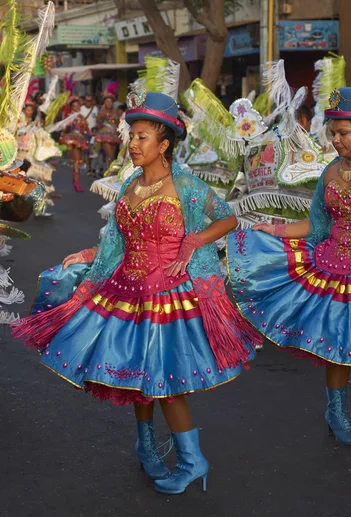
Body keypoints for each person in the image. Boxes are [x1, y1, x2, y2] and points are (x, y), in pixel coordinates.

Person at [12, 91, 262, 493]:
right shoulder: (130, 182)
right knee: (138, 377)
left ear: (165, 144)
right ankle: (146, 447)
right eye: (132, 135)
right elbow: (117, 240)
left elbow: (228, 218)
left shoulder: (187, 187)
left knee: (167, 386)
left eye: (143, 136)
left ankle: (194, 461)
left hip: (168, 297)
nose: (133, 144)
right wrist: (90, 254)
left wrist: (195, 240)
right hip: (125, 291)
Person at [228, 87, 351, 457]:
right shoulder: (330, 171)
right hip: (333, 265)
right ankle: (336, 413)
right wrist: (273, 230)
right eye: (333, 133)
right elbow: (316, 225)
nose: (335, 140)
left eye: (343, 133)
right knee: (334, 346)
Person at [59, 97, 90, 192]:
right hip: (74, 139)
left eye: (77, 105)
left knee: (79, 160)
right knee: (76, 160)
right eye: (74, 106)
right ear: (72, 107)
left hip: (81, 139)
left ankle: (75, 179)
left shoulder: (81, 116)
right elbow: (66, 128)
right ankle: (77, 183)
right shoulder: (70, 117)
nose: (76, 107)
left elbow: (86, 129)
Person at [96, 85, 120, 171]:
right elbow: (98, 124)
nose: (109, 103)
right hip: (105, 135)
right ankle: (108, 173)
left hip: (114, 135)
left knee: (112, 157)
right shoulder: (102, 112)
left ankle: (109, 173)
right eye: (107, 101)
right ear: (104, 103)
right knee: (109, 156)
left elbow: (118, 124)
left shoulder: (116, 112)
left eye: (110, 101)